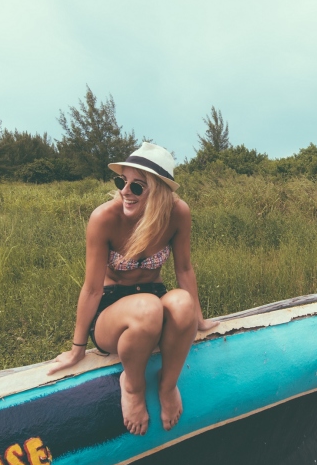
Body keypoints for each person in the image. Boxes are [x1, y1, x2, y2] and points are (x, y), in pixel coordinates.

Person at [48, 142, 216, 435]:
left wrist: (197, 320)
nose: (125, 191)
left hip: (153, 299)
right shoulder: (105, 218)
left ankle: (167, 385)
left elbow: (184, 269)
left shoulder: (177, 214)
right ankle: (133, 387)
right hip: (111, 314)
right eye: (122, 182)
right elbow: (90, 288)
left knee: (182, 303)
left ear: (160, 191)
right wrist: (77, 349)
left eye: (137, 187)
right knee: (147, 306)